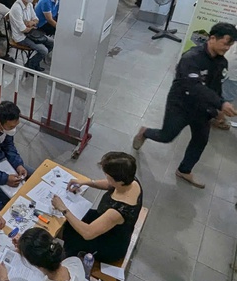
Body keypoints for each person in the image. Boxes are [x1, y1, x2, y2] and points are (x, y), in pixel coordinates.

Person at [133, 22, 237, 189]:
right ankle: (145, 132)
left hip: (203, 110)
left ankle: (184, 170)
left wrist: (218, 109)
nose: (227, 48)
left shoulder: (221, 62)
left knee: (200, 140)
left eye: (231, 45)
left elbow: (215, 87)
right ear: (212, 38)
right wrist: (220, 103)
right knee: (166, 136)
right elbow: (194, 86)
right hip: (180, 105)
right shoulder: (191, 58)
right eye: (226, 43)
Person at [52, 152, 143, 263]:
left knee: (69, 232)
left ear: (119, 181)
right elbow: (110, 184)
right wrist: (86, 182)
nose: (106, 178)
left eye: (108, 176)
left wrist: (63, 208)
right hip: (105, 221)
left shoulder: (118, 211)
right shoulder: (130, 180)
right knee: (73, 217)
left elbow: (88, 233)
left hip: (109, 244)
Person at [9, 0, 53, 71]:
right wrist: (33, 26)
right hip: (21, 37)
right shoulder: (17, 8)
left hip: (31, 33)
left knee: (51, 43)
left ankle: (36, 61)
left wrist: (30, 23)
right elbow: (23, 29)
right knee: (44, 50)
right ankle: (30, 65)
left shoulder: (29, 5)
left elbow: (36, 20)